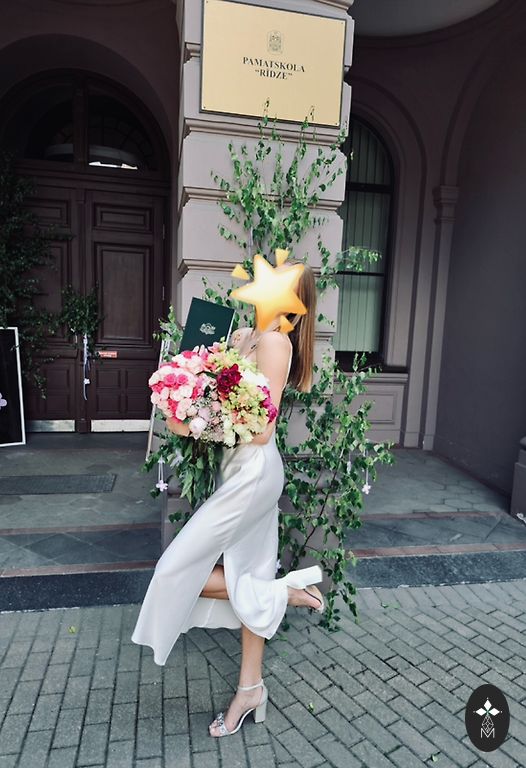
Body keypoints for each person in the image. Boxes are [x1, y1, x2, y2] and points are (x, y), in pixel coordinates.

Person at [131, 261, 325, 738]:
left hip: (254, 473)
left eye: (278, 277)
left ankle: (283, 594)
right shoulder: (242, 335)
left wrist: (197, 425)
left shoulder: (276, 343)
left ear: (290, 301)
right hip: (236, 469)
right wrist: (183, 401)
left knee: (176, 569)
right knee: (248, 572)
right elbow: (219, 400)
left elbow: (262, 431)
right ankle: (250, 689)